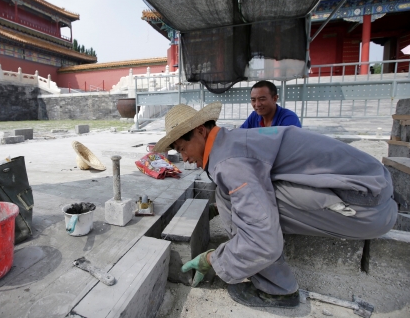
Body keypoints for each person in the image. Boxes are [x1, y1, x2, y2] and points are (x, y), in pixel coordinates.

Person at [154, 102, 397, 308]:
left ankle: (278, 289)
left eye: (183, 149)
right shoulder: (234, 140)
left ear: (200, 130)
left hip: (367, 209)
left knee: (247, 214)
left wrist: (213, 260)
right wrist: (220, 208)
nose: (184, 159)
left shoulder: (228, 162)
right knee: (230, 198)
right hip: (376, 191)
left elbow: (262, 237)